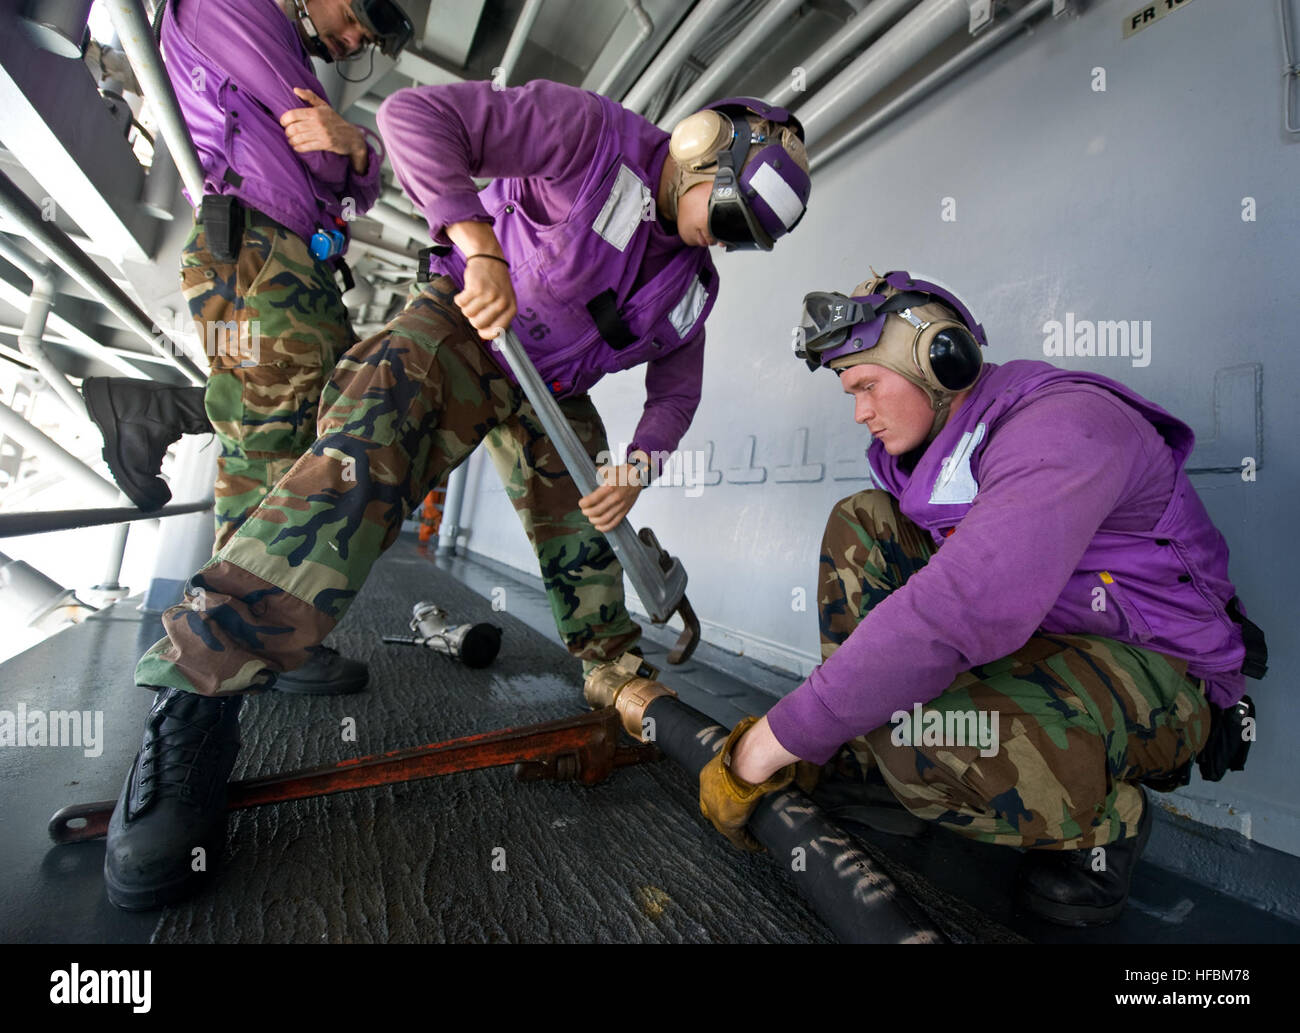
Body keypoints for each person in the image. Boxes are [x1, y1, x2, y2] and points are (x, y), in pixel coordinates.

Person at [102, 78, 812, 910]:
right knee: (360, 456)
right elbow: (415, 117)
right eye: (728, 221)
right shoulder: (588, 134)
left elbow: (676, 393)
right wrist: (480, 247)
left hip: (552, 388)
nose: (723, 246)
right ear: (697, 155)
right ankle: (197, 701)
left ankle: (615, 670)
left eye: (745, 241)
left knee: (588, 511)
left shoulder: (695, 285)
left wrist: (641, 464)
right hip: (473, 325)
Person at [698, 269, 1265, 927]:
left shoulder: (1063, 427)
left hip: (1164, 667)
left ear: (941, 361)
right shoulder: (938, 454)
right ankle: (865, 747)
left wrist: (771, 742)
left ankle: (1106, 826)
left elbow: (958, 608)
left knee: (911, 733)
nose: (858, 412)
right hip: (1060, 635)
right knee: (866, 521)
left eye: (865, 387)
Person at [82, 0, 413, 695]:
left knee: (316, 415)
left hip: (285, 255)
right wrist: (349, 150)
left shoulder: (284, 43)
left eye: (365, 39)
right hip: (261, 247)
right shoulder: (231, 5)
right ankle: (241, 640)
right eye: (358, 18)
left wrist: (354, 149)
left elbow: (349, 174)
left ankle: (159, 410)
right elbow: (328, 163)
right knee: (271, 436)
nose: (351, 39)